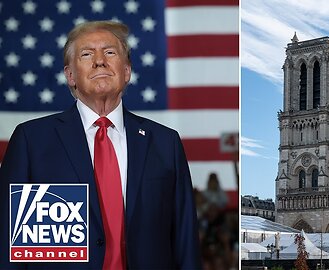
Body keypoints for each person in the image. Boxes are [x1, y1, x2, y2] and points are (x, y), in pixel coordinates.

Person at [0, 21, 201, 269]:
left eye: (109, 52)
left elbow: (185, 242)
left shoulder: (165, 143)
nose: (99, 61)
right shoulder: (32, 141)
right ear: (70, 76)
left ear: (126, 71)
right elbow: (10, 249)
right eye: (86, 54)